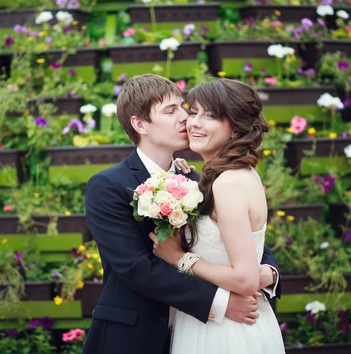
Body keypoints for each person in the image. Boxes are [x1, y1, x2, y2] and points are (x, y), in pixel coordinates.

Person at [83, 74, 280, 354]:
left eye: (183, 108)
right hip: (135, 336)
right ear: (140, 124)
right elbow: (136, 268)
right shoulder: (108, 185)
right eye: (170, 111)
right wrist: (220, 302)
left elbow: (241, 241)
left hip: (199, 335)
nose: (185, 119)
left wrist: (269, 273)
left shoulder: (200, 180)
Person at [150, 78, 286, 353]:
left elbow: (246, 279)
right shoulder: (226, 177)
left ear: (235, 127)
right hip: (212, 321)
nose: (194, 122)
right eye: (194, 111)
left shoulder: (229, 183)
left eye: (210, 116)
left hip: (227, 333)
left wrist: (179, 258)